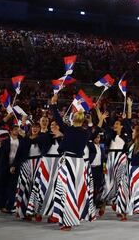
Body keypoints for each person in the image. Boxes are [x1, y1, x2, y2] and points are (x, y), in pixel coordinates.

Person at [49, 93, 93, 231]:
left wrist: (53, 104)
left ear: (73, 119)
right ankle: (68, 217)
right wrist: (90, 120)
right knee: (74, 190)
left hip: (68, 162)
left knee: (65, 191)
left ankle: (67, 220)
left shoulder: (68, 129)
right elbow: (92, 128)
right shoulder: (86, 133)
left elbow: (57, 119)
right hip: (79, 164)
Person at [28, 118, 61, 223]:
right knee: (42, 187)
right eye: (51, 125)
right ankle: (38, 212)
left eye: (55, 124)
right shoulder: (45, 135)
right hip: (46, 162)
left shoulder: (62, 136)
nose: (53, 126)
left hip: (58, 163)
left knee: (56, 189)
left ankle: (53, 214)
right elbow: (33, 140)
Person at [102, 98, 132, 214]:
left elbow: (129, 125)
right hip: (110, 158)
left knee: (121, 182)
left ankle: (121, 207)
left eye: (118, 124)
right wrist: (100, 115)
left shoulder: (126, 135)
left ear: (121, 126)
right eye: (115, 123)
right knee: (108, 181)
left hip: (121, 158)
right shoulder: (110, 134)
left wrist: (129, 107)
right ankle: (105, 203)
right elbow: (103, 125)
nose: (115, 125)